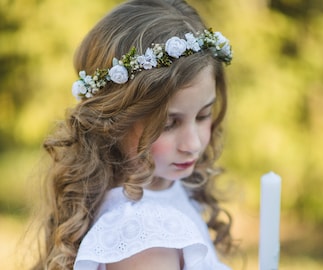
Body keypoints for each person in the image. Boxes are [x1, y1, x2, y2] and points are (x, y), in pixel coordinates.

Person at [31, 0, 234, 269]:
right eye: (168, 124)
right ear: (114, 121)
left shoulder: (166, 185)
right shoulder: (144, 236)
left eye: (203, 115)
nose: (193, 144)